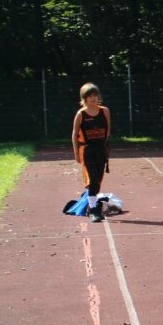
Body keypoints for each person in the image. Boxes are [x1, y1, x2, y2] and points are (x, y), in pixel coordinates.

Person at [71, 83, 112, 223]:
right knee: (92, 180)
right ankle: (94, 211)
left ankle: (91, 204)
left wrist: (104, 146)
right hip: (87, 151)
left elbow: (108, 130)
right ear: (84, 98)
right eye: (90, 96)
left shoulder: (105, 111)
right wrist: (76, 153)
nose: (93, 98)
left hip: (101, 150)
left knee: (98, 181)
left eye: (95, 95)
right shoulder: (81, 114)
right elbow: (74, 134)